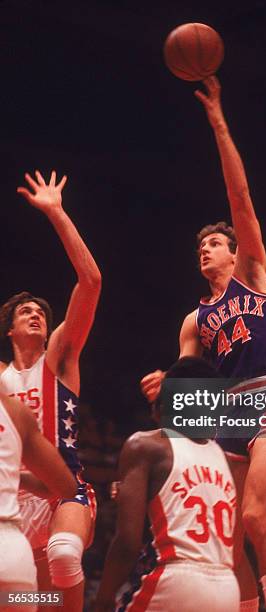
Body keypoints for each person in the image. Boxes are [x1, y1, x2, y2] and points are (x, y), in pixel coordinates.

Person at [141, 77, 266, 612]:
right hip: (227, 410)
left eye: (214, 243)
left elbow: (241, 197)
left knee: (257, 516)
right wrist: (168, 388)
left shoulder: (254, 276)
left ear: (235, 252)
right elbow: (190, 392)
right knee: (229, 530)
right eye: (201, 246)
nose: (205, 251)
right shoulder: (195, 320)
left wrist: (218, 122)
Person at [0, 170, 101, 612]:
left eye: (41, 311)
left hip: (65, 491)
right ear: (9, 329)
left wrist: (57, 213)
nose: (36, 315)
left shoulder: (58, 357)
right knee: (36, 601)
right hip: (15, 493)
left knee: (63, 555)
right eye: (25, 311)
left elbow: (91, 282)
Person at [95, 357, 239, 612]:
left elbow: (127, 542)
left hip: (179, 579)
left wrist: (104, 597)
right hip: (227, 587)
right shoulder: (222, 457)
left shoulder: (145, 445)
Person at [0, 388, 76, 612]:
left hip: (20, 553)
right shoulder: (14, 411)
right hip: (13, 561)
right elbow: (65, 487)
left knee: (65, 554)